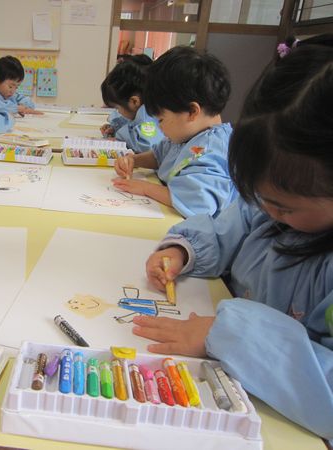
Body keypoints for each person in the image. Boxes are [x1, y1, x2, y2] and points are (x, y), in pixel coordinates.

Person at [133, 43, 333, 443]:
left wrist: (229, 335)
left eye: (284, 206)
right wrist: (182, 250)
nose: (267, 211)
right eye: (260, 196)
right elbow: (231, 222)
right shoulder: (266, 206)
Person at [113, 46, 237, 218]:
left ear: (192, 111)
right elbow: (159, 155)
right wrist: (134, 160)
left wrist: (146, 188)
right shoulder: (188, 134)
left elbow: (198, 202)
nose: (159, 127)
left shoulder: (210, 150)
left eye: (161, 120)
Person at [99, 57, 163, 152]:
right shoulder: (139, 110)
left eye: (117, 108)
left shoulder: (148, 115)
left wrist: (119, 136)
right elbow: (130, 124)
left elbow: (147, 145)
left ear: (134, 101)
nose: (118, 112)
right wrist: (114, 128)